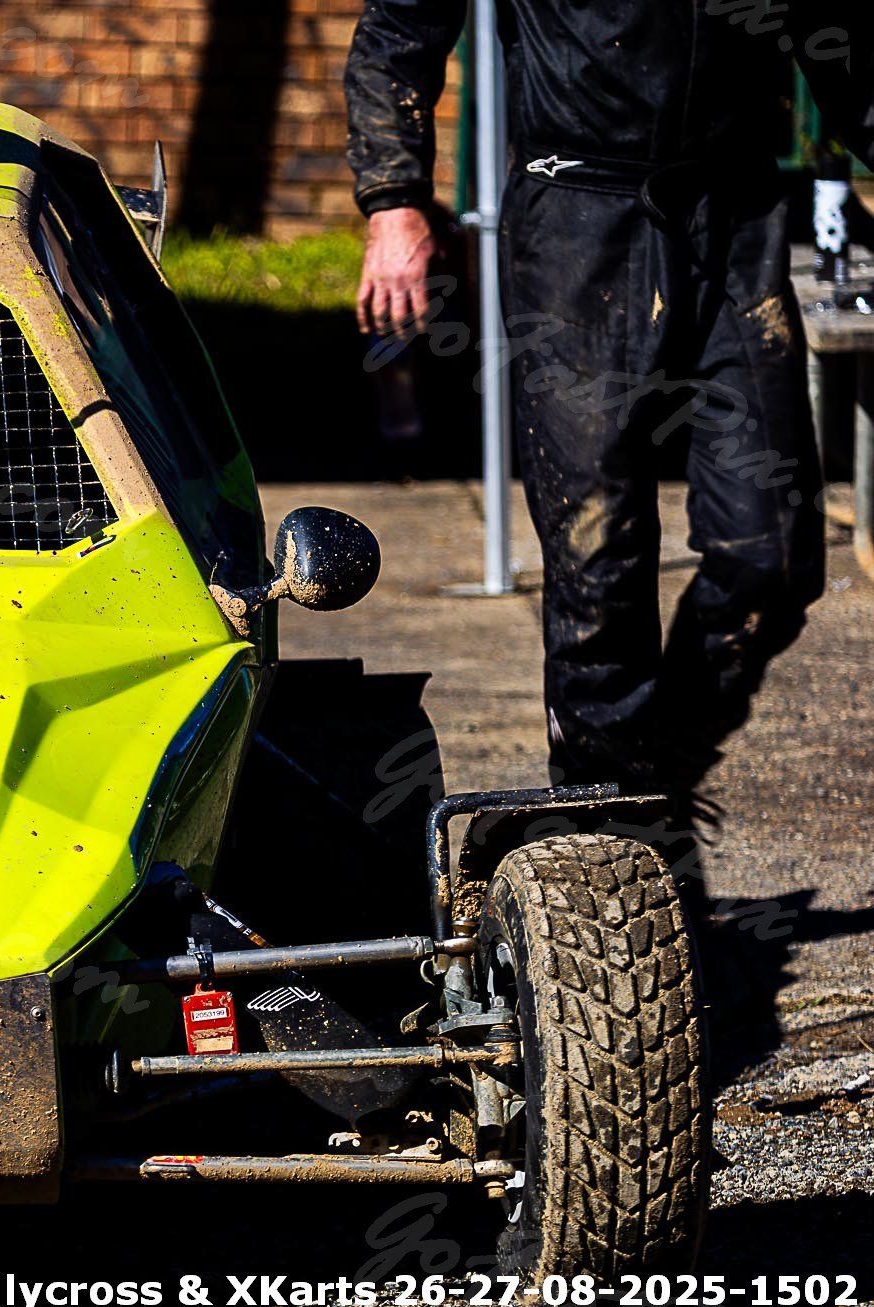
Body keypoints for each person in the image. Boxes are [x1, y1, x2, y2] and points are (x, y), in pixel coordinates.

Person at [345, 1, 872, 876]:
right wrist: (394, 202)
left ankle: (653, 772)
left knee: (772, 558)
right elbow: (398, 33)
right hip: (579, 220)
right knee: (600, 562)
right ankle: (609, 848)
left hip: (736, 220)